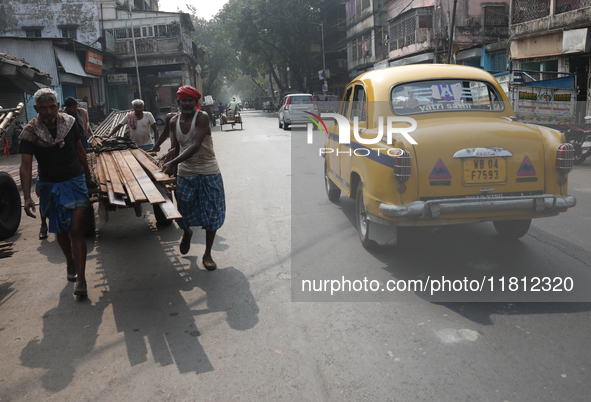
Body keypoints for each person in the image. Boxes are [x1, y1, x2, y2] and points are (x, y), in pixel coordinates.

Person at [19, 88, 96, 297]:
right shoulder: (29, 132)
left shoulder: (70, 124)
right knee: (60, 230)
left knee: (76, 228)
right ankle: (70, 262)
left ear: (57, 105)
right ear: (36, 109)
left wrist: (88, 176)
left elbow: (80, 150)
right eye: (43, 108)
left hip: (75, 181)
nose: (48, 111)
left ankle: (81, 279)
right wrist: (26, 196)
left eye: (52, 106)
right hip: (49, 186)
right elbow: (25, 166)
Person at [163, 86, 225, 270]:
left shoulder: (202, 117)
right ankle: (187, 232)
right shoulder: (174, 122)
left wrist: (173, 161)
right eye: (184, 100)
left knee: (211, 213)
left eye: (191, 100)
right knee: (183, 209)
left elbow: (195, 145)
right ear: (178, 103)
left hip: (208, 170)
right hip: (186, 172)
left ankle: (207, 254)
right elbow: (175, 147)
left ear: (196, 102)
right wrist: (167, 160)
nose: (188, 103)